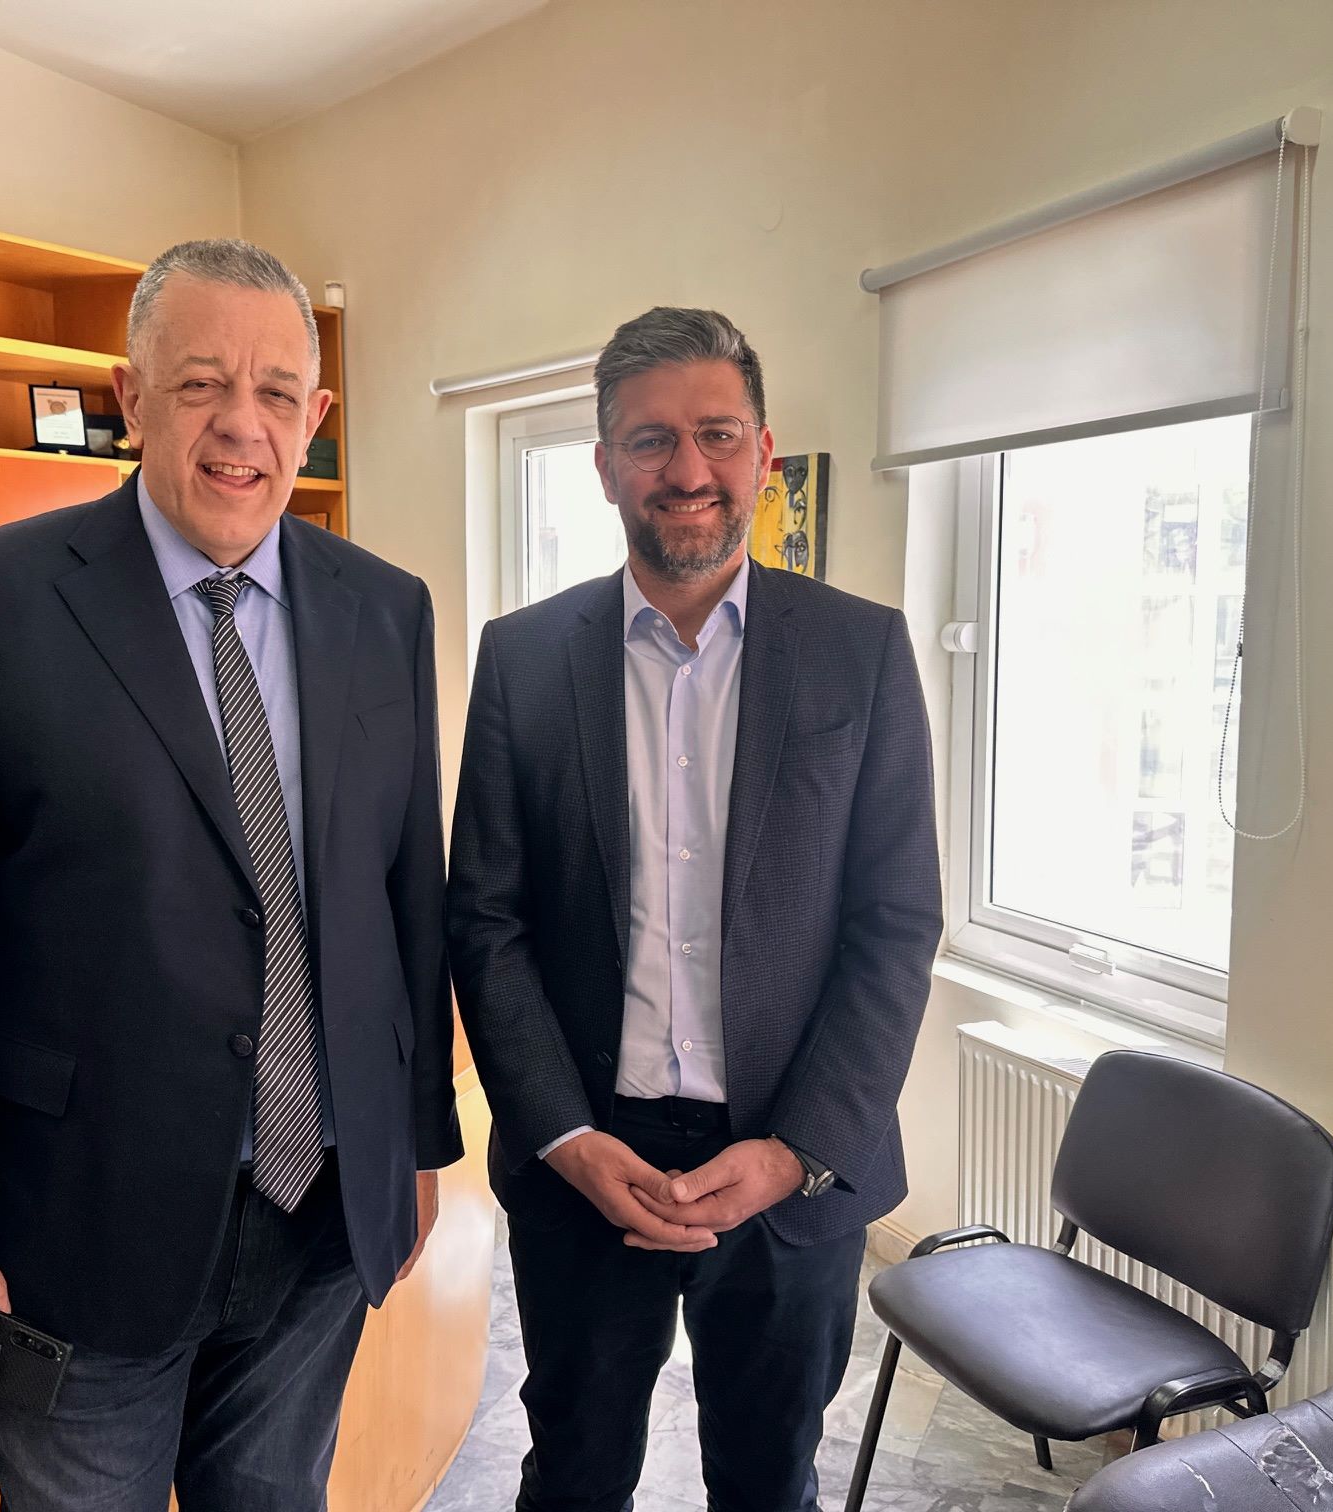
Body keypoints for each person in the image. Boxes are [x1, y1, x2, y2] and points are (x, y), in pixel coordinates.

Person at [0, 238, 462, 1511]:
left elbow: (406, 903)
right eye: (200, 384)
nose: (243, 425)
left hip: (318, 1218)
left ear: (316, 414)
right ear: (129, 398)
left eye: (277, 392)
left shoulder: (385, 608)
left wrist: (414, 1142)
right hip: (83, 1228)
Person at [448, 306, 941, 1512]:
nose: (688, 470)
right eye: (651, 439)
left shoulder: (862, 652)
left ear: (763, 452)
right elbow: (488, 922)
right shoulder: (522, 659)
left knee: (769, 1483)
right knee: (574, 1471)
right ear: (604, 464)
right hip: (587, 1161)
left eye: (717, 434)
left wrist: (798, 1151)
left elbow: (894, 925)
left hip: (789, 1169)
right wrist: (562, 1136)